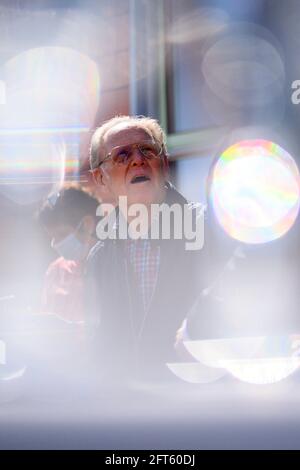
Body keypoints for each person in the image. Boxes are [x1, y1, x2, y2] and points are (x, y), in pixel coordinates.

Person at [86, 115, 209, 382]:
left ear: (163, 164)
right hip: (129, 410)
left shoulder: (208, 230)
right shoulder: (100, 256)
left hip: (203, 404)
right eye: (122, 155)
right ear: (100, 178)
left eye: (147, 150)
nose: (138, 160)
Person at [38, 183, 100, 322]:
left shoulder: (114, 267)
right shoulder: (55, 271)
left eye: (61, 234)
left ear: (87, 224)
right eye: (52, 237)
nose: (55, 244)